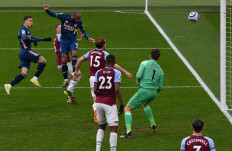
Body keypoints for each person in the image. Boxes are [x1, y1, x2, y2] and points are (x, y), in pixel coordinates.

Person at [72, 37, 132, 122]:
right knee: (105, 95)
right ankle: (105, 113)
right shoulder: (104, 53)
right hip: (102, 76)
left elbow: (80, 60)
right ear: (103, 45)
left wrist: (76, 71)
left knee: (95, 97)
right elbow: (114, 65)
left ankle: (97, 112)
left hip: (93, 78)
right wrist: (125, 72)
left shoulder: (90, 52)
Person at [44, 4, 95, 88]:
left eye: (79, 18)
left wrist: (88, 38)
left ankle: (75, 72)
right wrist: (47, 10)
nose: (78, 20)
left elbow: (83, 31)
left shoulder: (79, 22)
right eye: (77, 18)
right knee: (64, 59)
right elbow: (53, 14)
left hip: (72, 41)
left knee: (74, 53)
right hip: (64, 41)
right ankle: (65, 80)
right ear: (73, 16)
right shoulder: (64, 17)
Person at [121, 49, 163, 138]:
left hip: (144, 91)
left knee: (127, 108)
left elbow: (138, 76)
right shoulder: (160, 70)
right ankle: (153, 125)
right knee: (145, 104)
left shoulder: (144, 63)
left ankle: (128, 133)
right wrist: (154, 91)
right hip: (153, 93)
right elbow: (160, 87)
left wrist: (138, 81)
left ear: (150, 55)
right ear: (158, 58)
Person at [4, 16, 51, 95]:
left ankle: (9, 85)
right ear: (25, 21)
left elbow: (33, 37)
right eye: (30, 21)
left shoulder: (27, 30)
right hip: (26, 52)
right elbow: (25, 38)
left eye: (32, 21)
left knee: (24, 73)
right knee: (43, 61)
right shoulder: (22, 29)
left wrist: (44, 39)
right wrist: (33, 41)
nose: (32, 22)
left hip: (22, 54)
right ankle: (35, 78)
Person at [94, 54, 124, 151]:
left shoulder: (98, 72)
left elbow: (95, 90)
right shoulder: (116, 72)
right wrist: (122, 103)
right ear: (114, 63)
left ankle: (97, 149)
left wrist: (100, 95)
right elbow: (116, 90)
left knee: (101, 126)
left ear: (106, 62)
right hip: (109, 103)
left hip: (98, 102)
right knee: (113, 128)